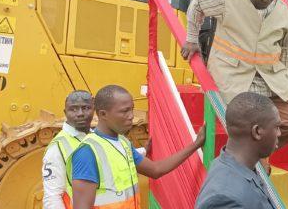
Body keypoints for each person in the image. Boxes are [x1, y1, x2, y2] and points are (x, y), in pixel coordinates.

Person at [181, 0, 288, 151]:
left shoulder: (285, 12)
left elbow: (285, 50)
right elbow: (197, 5)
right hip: (233, 74)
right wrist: (191, 39)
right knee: (252, 122)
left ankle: (258, 151)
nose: (266, 0)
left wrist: (287, 83)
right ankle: (251, 157)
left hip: (270, 77)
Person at [68, 85, 205, 209]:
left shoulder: (123, 143)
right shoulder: (87, 152)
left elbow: (156, 170)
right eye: (125, 111)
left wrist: (195, 145)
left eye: (132, 110)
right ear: (103, 114)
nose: (131, 116)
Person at [195, 92, 281, 208]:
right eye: (276, 127)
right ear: (257, 132)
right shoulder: (225, 198)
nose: (279, 133)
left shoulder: (243, 167)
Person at [42, 91, 95, 209]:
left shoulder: (95, 138)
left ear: (94, 109)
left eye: (86, 108)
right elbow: (52, 196)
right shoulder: (57, 147)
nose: (80, 113)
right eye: (73, 109)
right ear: (65, 113)